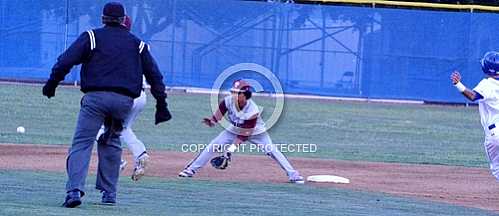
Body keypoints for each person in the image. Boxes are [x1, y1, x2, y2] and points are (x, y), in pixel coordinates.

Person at [42, 2, 171, 208]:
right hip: (123, 102)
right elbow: (155, 76)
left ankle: (74, 190)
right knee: (111, 141)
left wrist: (52, 84)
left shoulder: (92, 37)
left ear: (103, 18)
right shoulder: (137, 44)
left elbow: (65, 61)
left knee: (82, 143)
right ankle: (109, 193)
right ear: (123, 20)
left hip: (95, 99)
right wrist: (162, 105)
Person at [178, 79, 304, 184]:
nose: (233, 95)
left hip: (256, 132)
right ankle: (190, 170)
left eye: (237, 93)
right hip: (234, 128)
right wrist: (213, 120)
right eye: (233, 92)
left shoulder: (252, 110)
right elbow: (221, 110)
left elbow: (244, 135)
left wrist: (230, 151)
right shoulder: (229, 100)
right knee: (214, 145)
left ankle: (293, 175)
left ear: (246, 95)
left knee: (272, 151)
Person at [95, 15, 150, 182]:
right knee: (124, 128)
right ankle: (140, 154)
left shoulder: (115, 46)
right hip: (141, 95)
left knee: (97, 129)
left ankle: (116, 161)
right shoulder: (138, 45)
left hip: (125, 96)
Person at [451, 51, 499, 181]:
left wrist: (458, 84)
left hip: (495, 134)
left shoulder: (488, 84)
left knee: (497, 170)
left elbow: (473, 96)